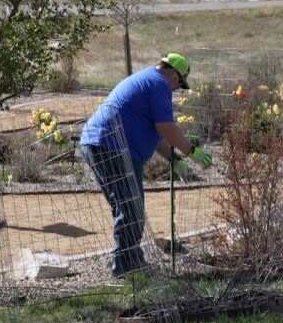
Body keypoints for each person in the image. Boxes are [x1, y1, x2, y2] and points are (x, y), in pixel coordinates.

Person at [80, 53, 213, 277]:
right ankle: (125, 268)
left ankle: (129, 260)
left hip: (104, 144)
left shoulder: (148, 80)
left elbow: (157, 135)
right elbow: (166, 127)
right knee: (131, 209)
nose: (177, 88)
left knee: (128, 207)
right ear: (172, 72)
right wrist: (191, 151)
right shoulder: (158, 84)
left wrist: (175, 160)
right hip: (111, 147)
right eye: (179, 83)